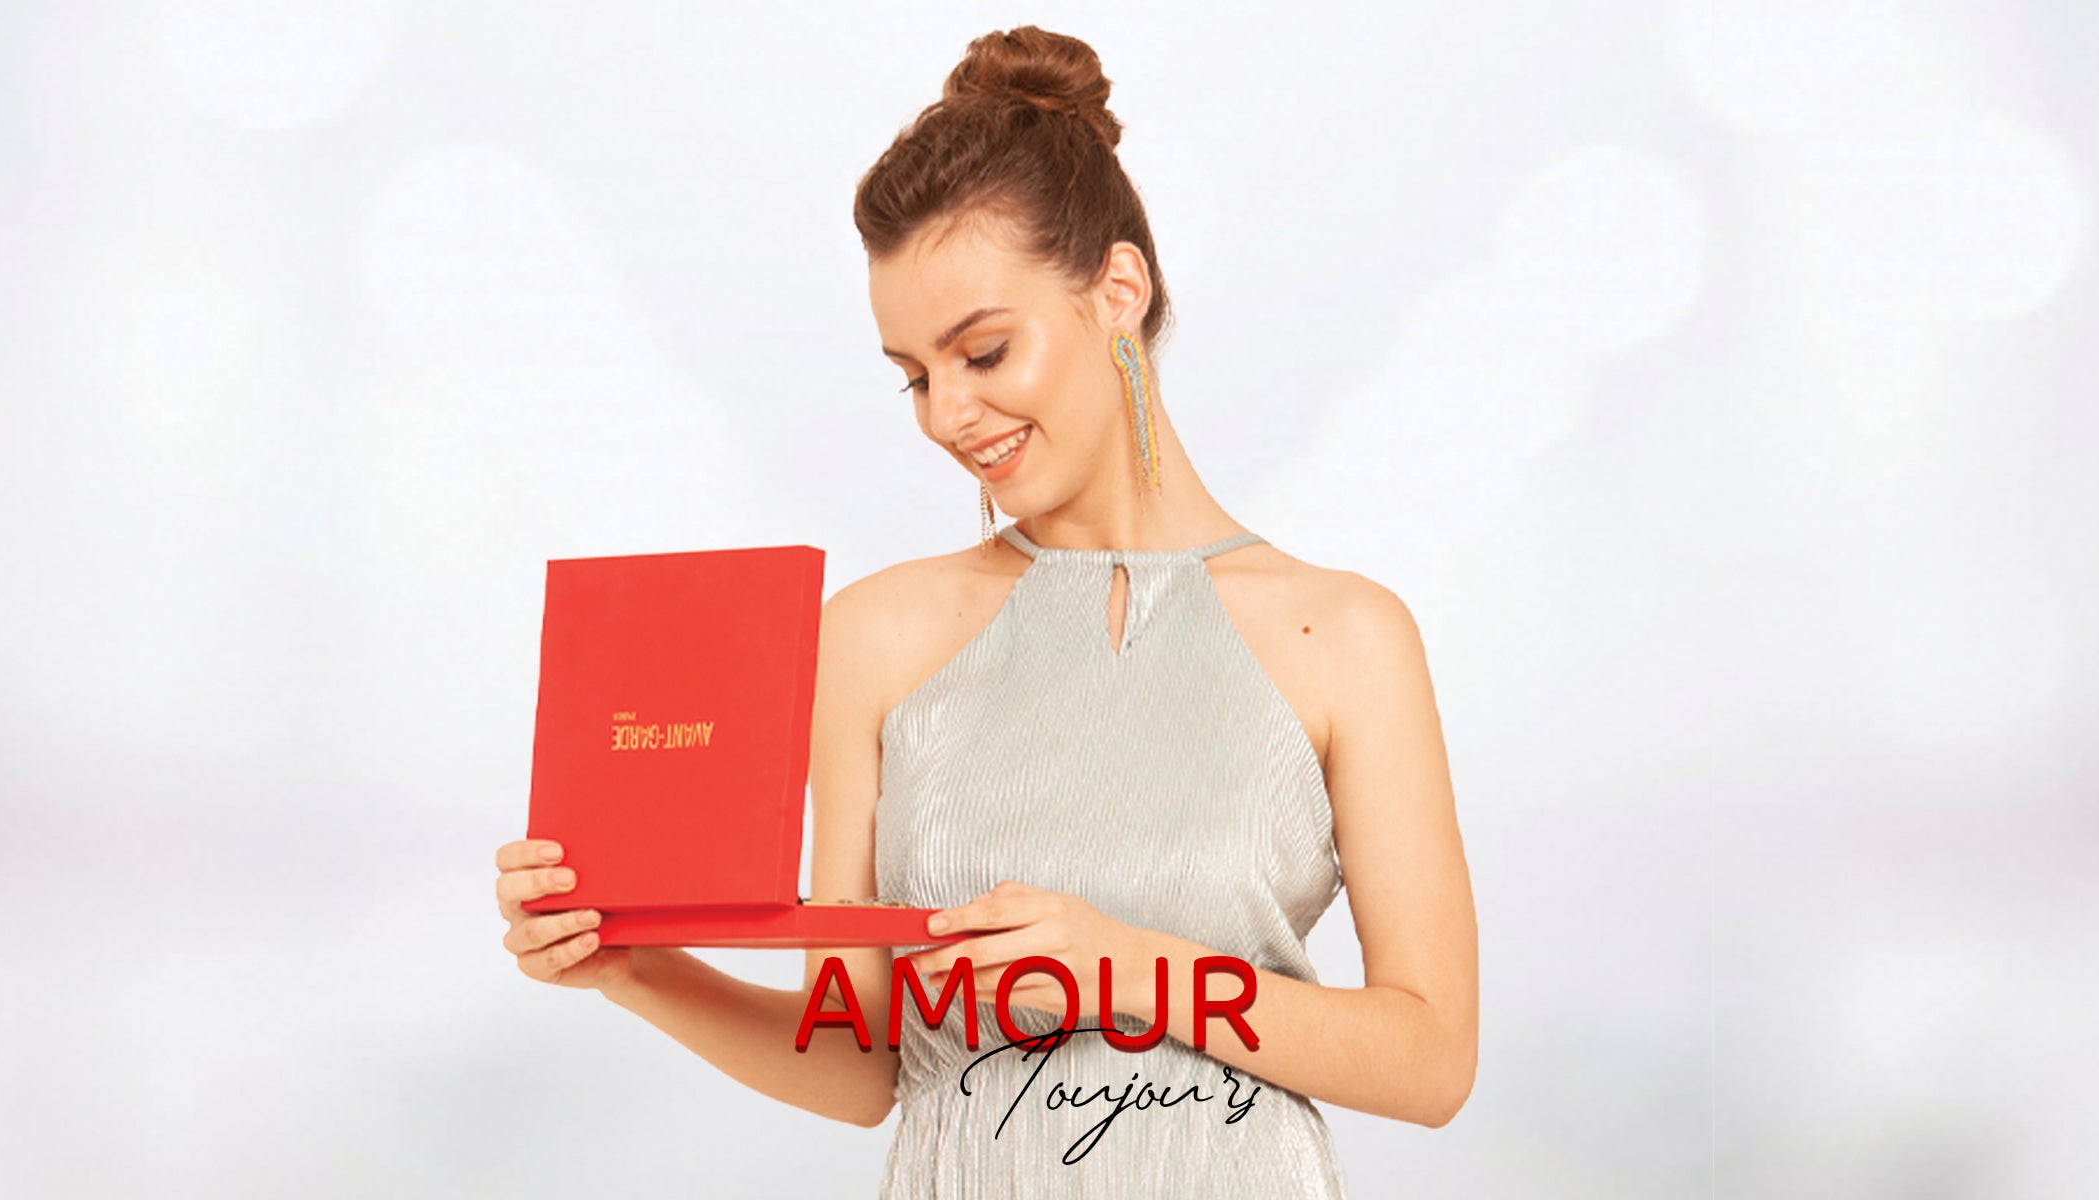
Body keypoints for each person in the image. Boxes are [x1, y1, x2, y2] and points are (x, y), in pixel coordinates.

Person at [491, 25, 1476, 1196]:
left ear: (1118, 290)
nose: (947, 414)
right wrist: (629, 968)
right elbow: (861, 1064)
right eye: (916, 375)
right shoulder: (876, 639)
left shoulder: (1344, 637)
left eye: (986, 352)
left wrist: (1132, 972)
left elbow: (1432, 1059)